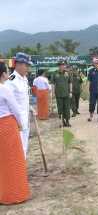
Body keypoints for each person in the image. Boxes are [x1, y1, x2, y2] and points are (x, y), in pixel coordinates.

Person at [0, 61, 30, 204]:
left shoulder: (19, 80)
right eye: (7, 70)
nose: (8, 72)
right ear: (3, 74)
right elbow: (16, 109)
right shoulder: (5, 89)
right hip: (7, 125)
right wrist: (20, 123)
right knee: (13, 160)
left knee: (2, 160)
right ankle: (14, 194)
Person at [4, 52, 36, 158]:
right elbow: (8, 102)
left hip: (25, 119)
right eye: (26, 65)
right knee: (16, 149)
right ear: (17, 65)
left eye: (29, 65)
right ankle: (18, 172)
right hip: (17, 122)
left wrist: (29, 108)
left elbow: (22, 99)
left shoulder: (23, 79)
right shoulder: (11, 81)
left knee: (24, 146)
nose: (28, 68)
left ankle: (22, 171)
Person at [51, 60, 73, 127]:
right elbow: (52, 84)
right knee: (60, 108)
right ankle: (62, 121)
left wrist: (71, 92)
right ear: (59, 66)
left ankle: (67, 121)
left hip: (66, 93)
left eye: (64, 65)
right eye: (63, 65)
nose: (64, 66)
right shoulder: (55, 74)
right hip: (59, 94)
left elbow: (70, 83)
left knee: (67, 107)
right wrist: (53, 93)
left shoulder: (68, 73)